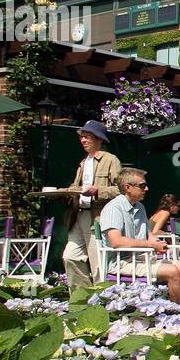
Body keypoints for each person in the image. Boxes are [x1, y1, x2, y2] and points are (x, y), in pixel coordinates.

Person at [98, 168, 180, 306]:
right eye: (142, 185)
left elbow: (149, 235)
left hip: (142, 258)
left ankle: (169, 303)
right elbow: (116, 241)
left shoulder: (140, 207)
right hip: (121, 262)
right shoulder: (114, 208)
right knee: (172, 271)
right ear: (127, 188)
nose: (147, 188)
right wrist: (151, 245)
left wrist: (158, 243)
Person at [63, 120, 122, 289]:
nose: (83, 140)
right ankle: (81, 298)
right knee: (70, 257)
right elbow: (77, 188)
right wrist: (65, 192)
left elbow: (120, 191)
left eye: (87, 137)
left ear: (99, 139)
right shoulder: (82, 163)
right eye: (82, 137)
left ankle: (102, 299)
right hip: (78, 215)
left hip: (97, 218)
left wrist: (98, 191)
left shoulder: (110, 160)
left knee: (98, 263)